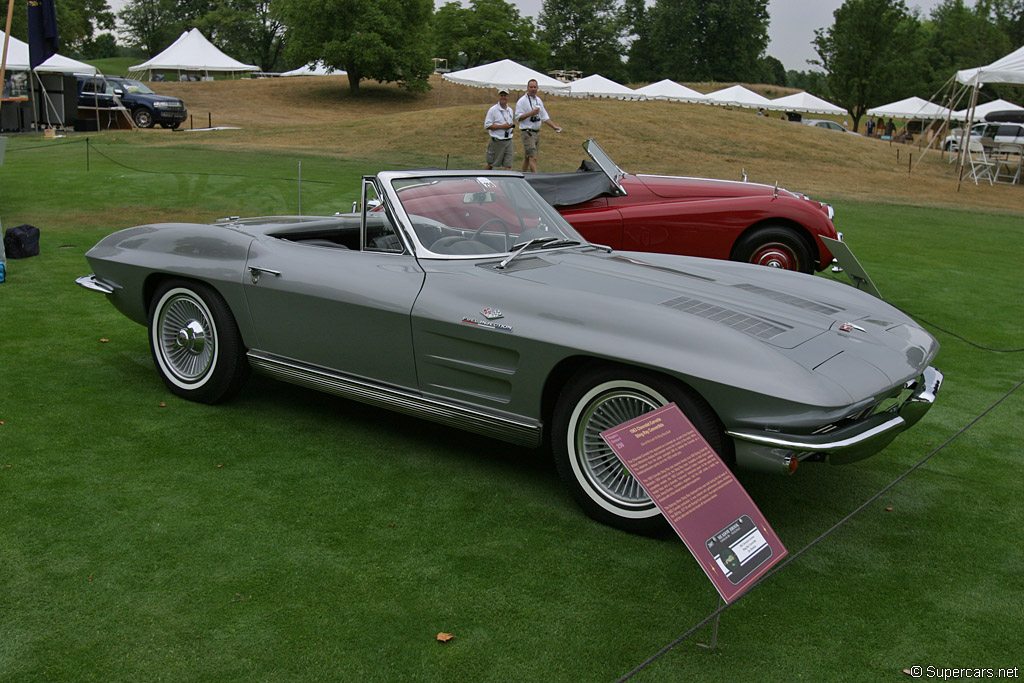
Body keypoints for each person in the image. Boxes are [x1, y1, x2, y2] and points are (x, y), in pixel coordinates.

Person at [515, 79, 562, 173]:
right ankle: (536, 177)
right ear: (527, 88)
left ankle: (523, 175)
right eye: (531, 87)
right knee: (533, 157)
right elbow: (518, 118)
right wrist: (531, 113)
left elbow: (544, 116)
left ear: (537, 88)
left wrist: (554, 127)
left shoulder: (538, 100)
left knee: (527, 156)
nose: (533, 89)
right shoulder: (522, 101)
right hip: (527, 132)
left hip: (536, 133)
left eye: (535, 87)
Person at [483, 88, 515, 170]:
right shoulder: (493, 110)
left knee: (508, 165)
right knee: (491, 164)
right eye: (501, 95)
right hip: (497, 141)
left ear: (508, 97)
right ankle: (483, 178)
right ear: (498, 96)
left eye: (505, 95)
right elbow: (487, 125)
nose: (503, 97)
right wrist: (502, 126)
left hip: (508, 140)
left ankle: (507, 182)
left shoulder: (510, 110)